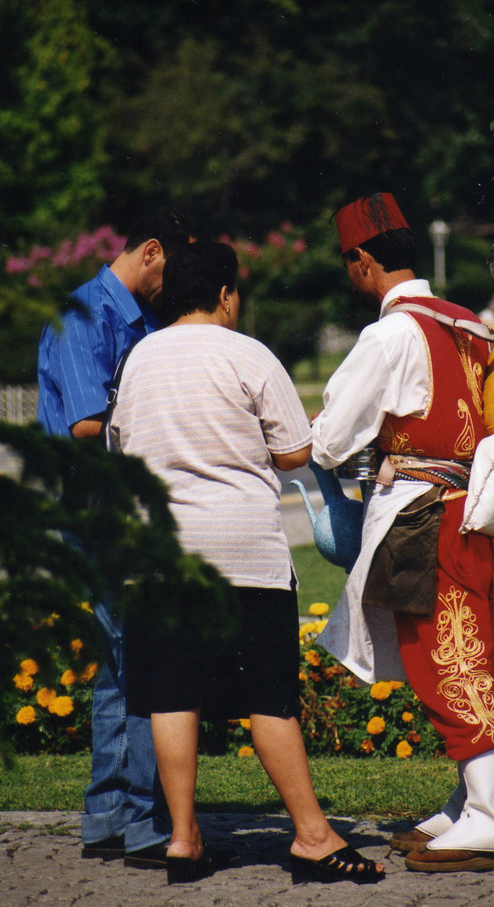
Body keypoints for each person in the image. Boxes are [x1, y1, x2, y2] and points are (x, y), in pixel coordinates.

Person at [108, 239, 384, 885]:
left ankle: (182, 838)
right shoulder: (249, 355)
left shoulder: (139, 360)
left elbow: (121, 450)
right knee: (269, 698)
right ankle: (313, 836)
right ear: (227, 295)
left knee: (173, 697)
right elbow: (295, 453)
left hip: (157, 557)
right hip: (243, 557)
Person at [311, 193, 494, 874]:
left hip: (424, 516)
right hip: (479, 507)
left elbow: (329, 440)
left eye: (349, 262)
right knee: (467, 654)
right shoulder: (466, 322)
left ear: (362, 261)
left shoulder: (390, 333)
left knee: (449, 662)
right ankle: (469, 807)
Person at [37, 207, 204, 866]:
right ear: (152, 252)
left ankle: (105, 817)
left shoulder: (142, 321)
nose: (182, 278)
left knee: (118, 666)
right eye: (178, 263)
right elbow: (84, 424)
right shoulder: (84, 315)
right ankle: (140, 821)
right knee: (142, 662)